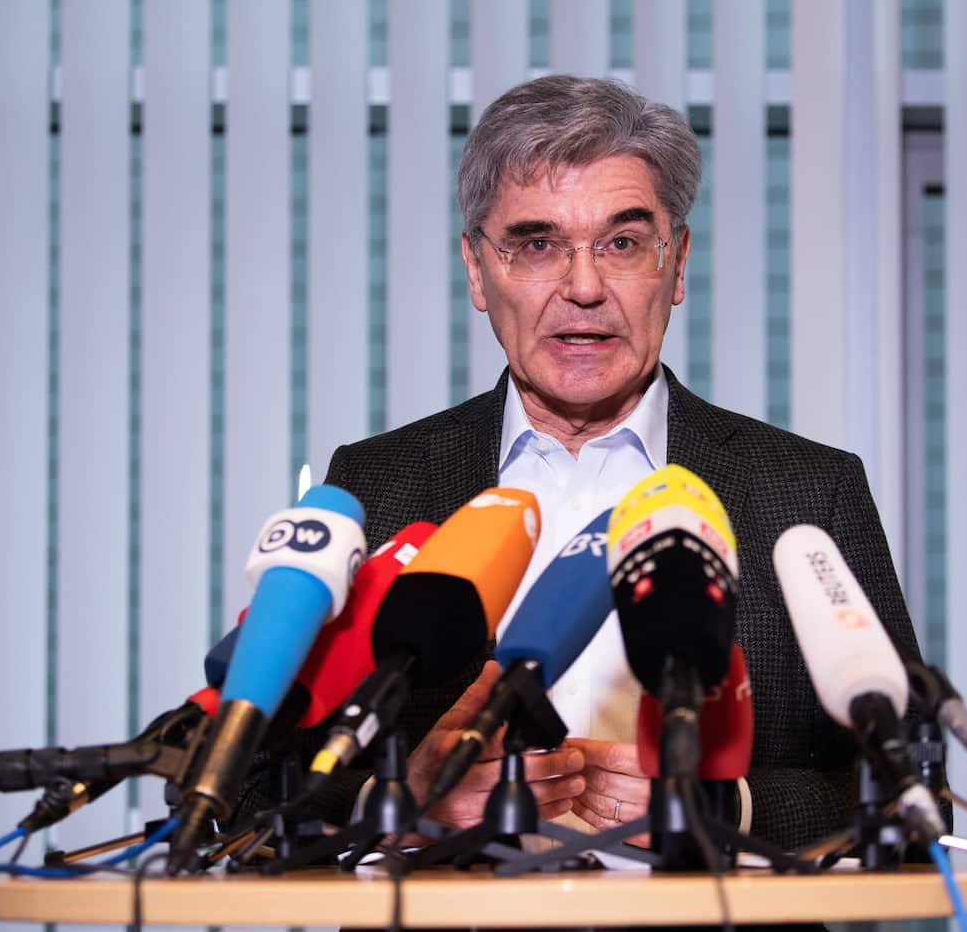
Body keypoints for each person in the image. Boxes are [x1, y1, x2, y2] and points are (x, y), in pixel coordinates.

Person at [304, 75, 930, 856]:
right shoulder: (377, 484)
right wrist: (403, 796)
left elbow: (910, 796)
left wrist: (723, 805)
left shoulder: (807, 492)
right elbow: (268, 789)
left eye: (623, 243)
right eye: (537, 244)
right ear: (476, 269)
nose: (585, 287)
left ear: (676, 264)